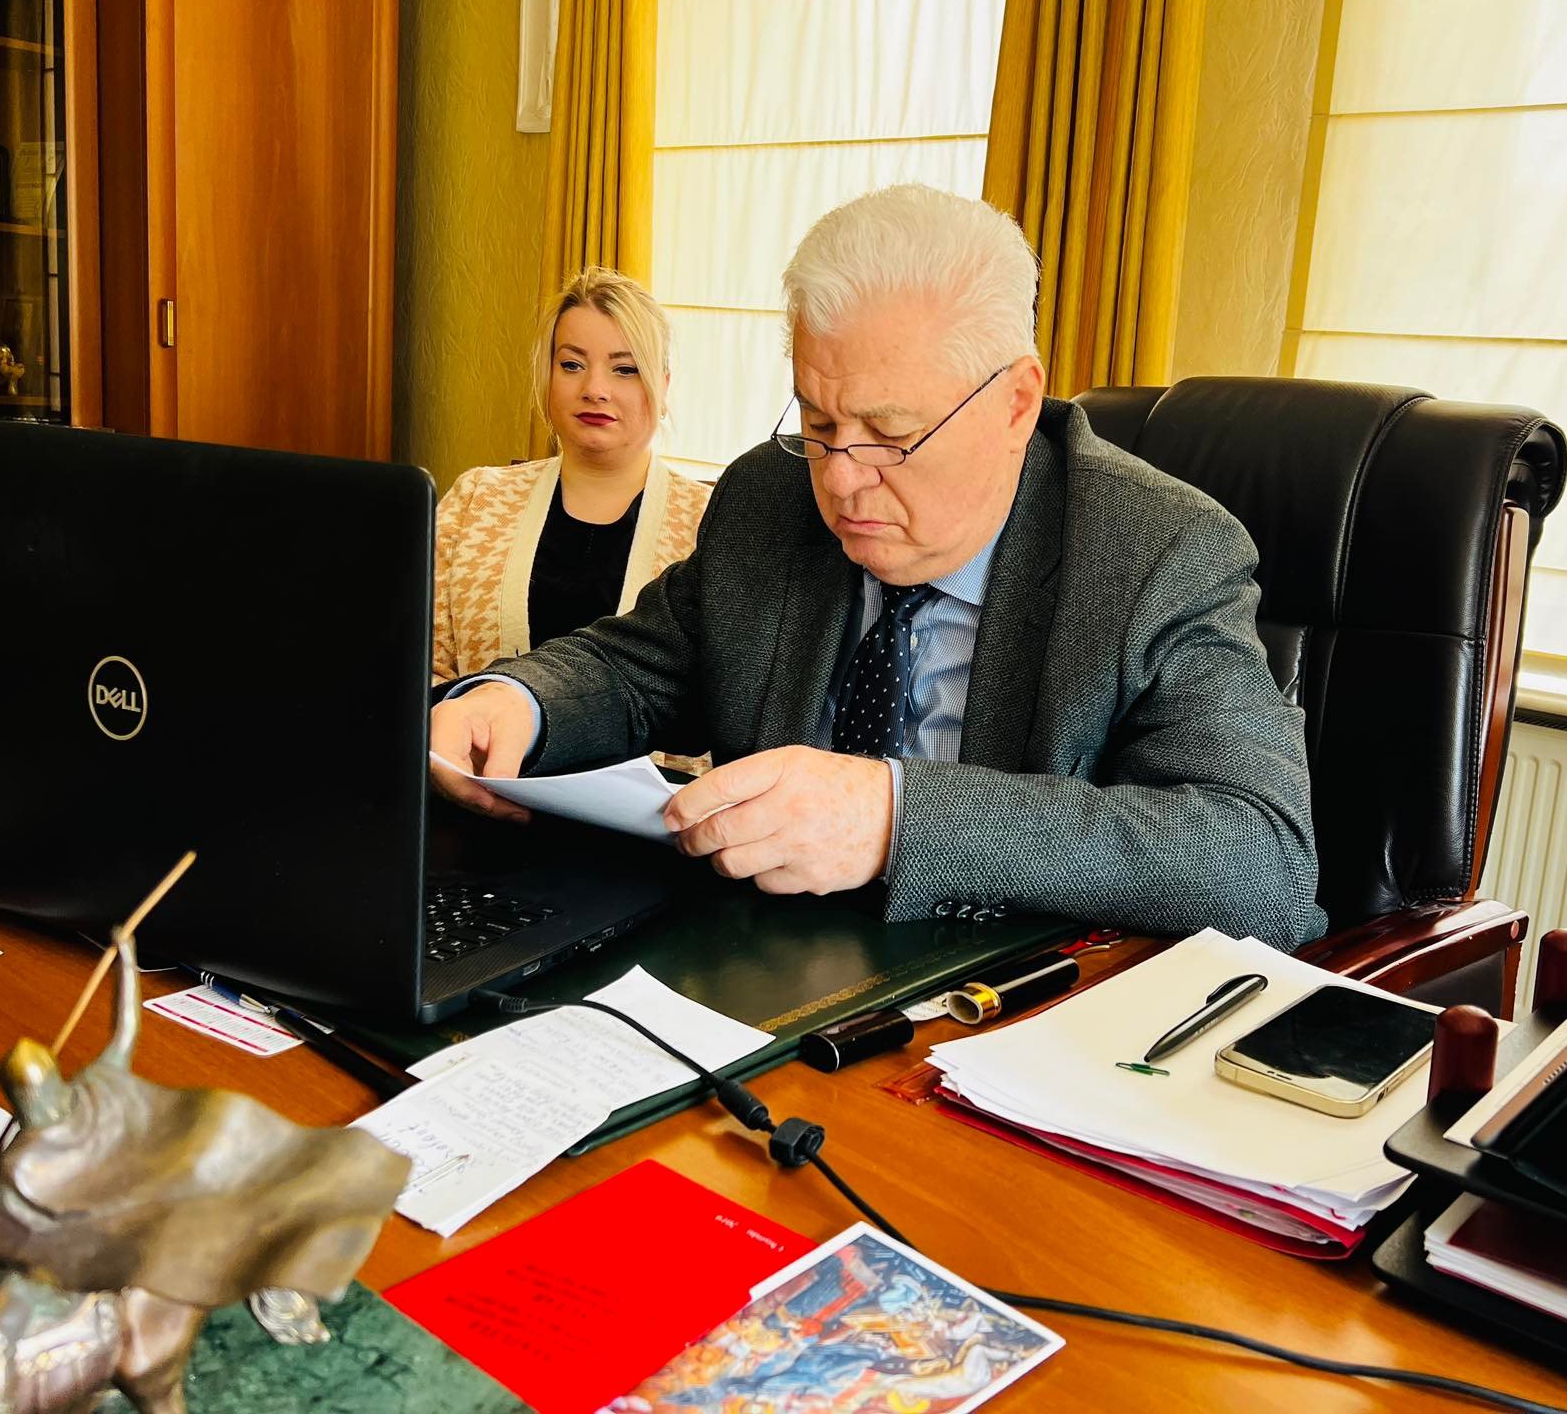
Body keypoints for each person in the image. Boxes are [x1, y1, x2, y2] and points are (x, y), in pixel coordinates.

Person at [430, 185, 1321, 947]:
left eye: (891, 435)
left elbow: (1261, 859)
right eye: (819, 423)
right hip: (759, 972)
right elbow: (642, 667)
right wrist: (517, 700)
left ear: (1016, 403)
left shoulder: (1157, 551)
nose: (842, 479)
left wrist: (896, 817)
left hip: (1001, 1015)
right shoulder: (769, 496)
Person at [430, 267, 710, 683]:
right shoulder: (475, 499)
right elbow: (420, 661)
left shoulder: (709, 524)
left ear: (663, 385)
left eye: (625, 369)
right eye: (572, 364)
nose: (594, 389)